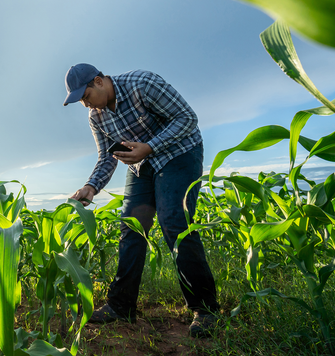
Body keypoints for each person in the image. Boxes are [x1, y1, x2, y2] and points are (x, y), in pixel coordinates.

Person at [63, 63, 220, 338]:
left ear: (99, 81)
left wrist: (150, 146)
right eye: (80, 101)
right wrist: (91, 186)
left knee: (175, 222)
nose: (86, 105)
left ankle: (205, 309)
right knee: (131, 227)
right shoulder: (97, 118)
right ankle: (121, 305)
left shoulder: (142, 84)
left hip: (179, 154)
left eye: (86, 96)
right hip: (141, 165)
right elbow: (106, 157)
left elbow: (187, 119)